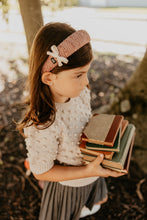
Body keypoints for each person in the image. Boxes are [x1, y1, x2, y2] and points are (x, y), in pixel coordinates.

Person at [17, 22, 125, 220]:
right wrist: (86, 171)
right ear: (49, 78)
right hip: (70, 186)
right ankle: (47, 175)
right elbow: (41, 172)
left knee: (90, 207)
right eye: (78, 75)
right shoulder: (44, 124)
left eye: (87, 72)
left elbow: (83, 118)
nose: (86, 82)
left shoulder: (80, 91)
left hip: (90, 169)